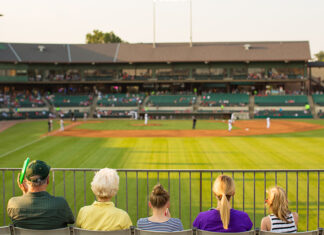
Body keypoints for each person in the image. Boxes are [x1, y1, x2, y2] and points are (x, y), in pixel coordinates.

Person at [7, 160, 74, 229]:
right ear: (48, 180)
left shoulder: (13, 203)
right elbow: (71, 220)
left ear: (26, 181)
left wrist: (25, 193)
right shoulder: (61, 203)